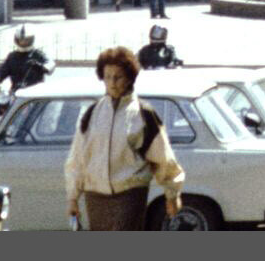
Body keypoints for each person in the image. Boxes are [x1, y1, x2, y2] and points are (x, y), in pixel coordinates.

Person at [65, 46, 184, 230]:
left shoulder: (143, 114)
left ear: (129, 78)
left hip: (129, 195)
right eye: (107, 77)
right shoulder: (92, 113)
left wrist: (172, 194)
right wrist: (73, 198)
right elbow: (78, 158)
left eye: (118, 77)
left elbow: (163, 157)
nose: (112, 83)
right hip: (95, 197)